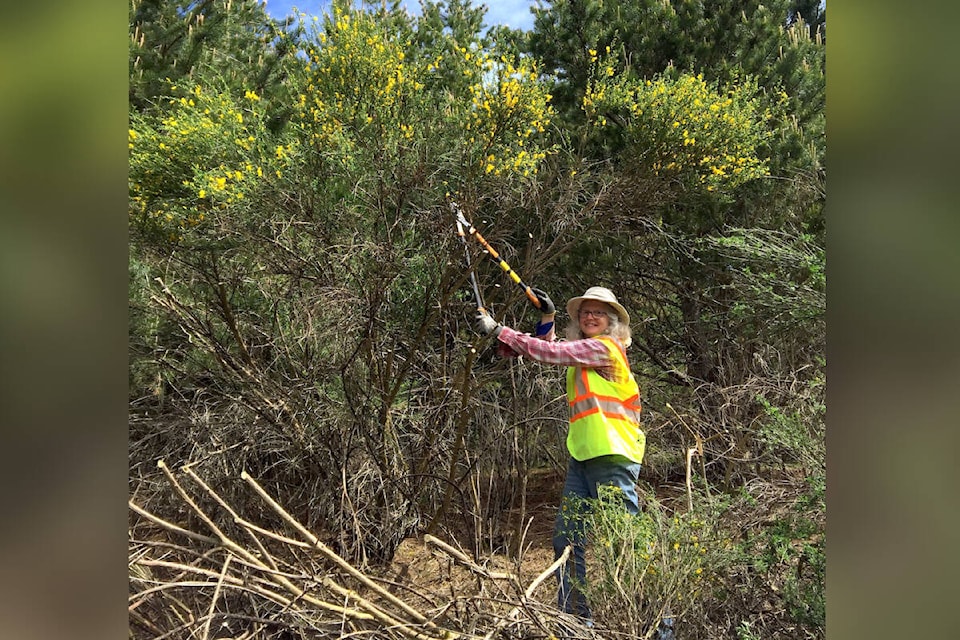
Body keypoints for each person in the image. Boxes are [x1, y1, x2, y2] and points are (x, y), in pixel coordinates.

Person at [475, 286, 645, 626]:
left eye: (598, 312)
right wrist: (547, 318)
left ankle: (658, 627)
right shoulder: (584, 352)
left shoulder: (604, 349)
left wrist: (498, 330)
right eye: (585, 312)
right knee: (567, 540)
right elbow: (549, 349)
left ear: (612, 321)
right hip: (582, 460)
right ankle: (575, 623)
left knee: (625, 543)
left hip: (612, 457)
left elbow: (547, 353)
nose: (590, 316)